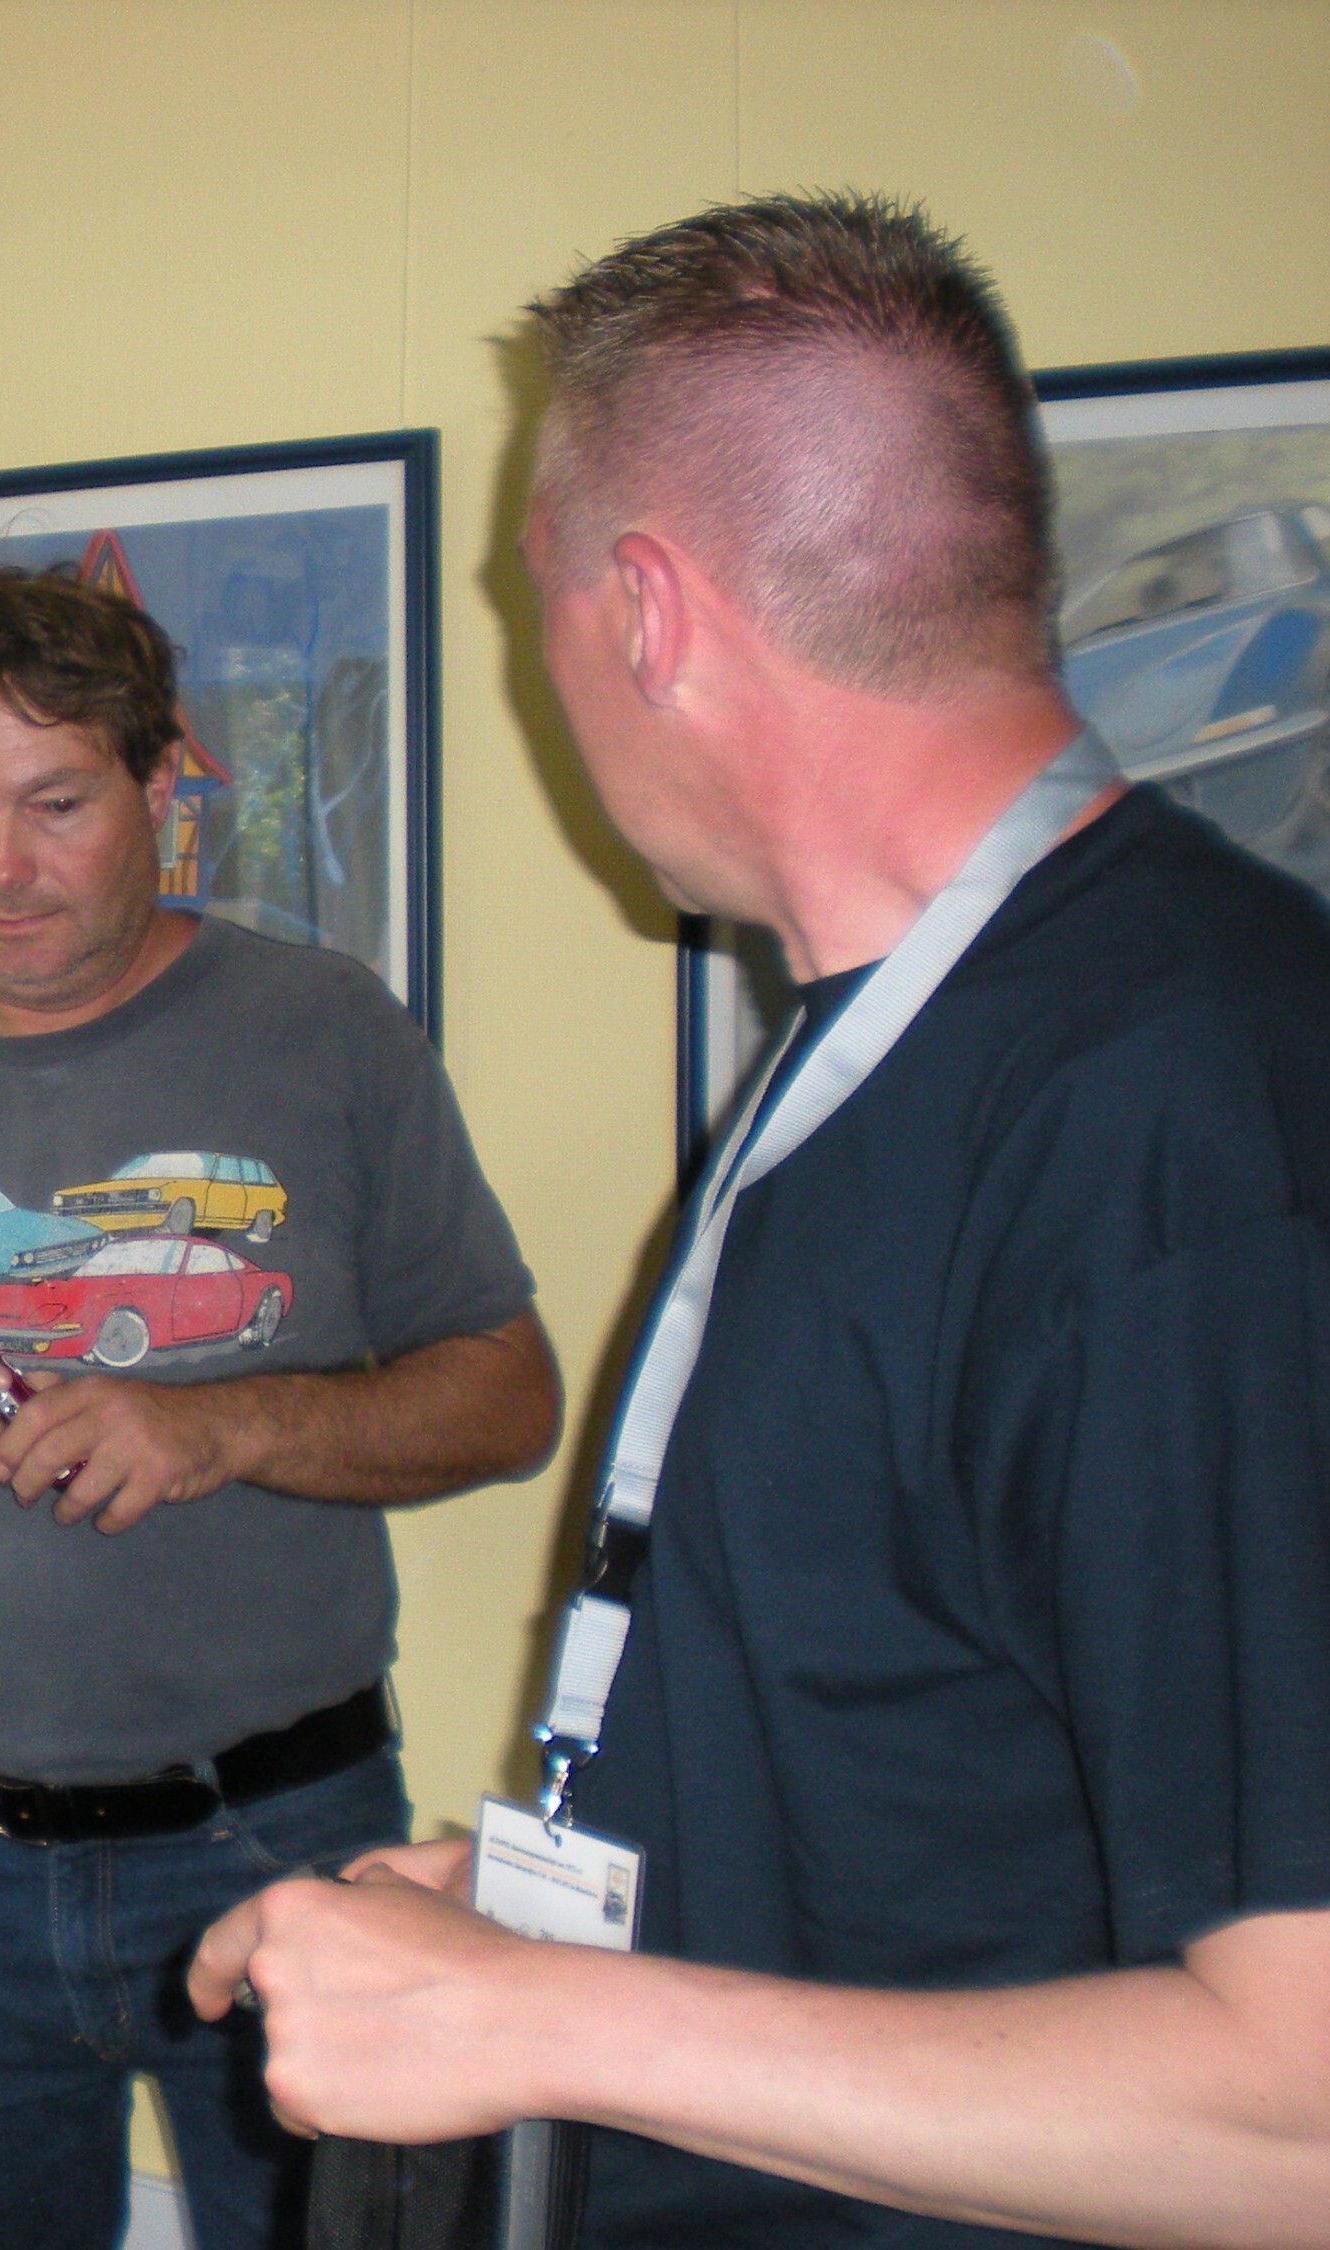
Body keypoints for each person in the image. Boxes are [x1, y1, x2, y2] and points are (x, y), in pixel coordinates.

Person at [190, 194, 1330, 2249]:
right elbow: (953, 1758)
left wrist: (542, 2022)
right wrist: (561, 1898)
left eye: (530, 598)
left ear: (645, 613)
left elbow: (1303, 2119)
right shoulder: (883, 1027)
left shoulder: (1185, 1118)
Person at [0, 566, 559, 2250]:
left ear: (157, 783)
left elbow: (510, 1396)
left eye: (57, 803)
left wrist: (224, 1428)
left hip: (279, 1836)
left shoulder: (328, 1037)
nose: (2, 868)